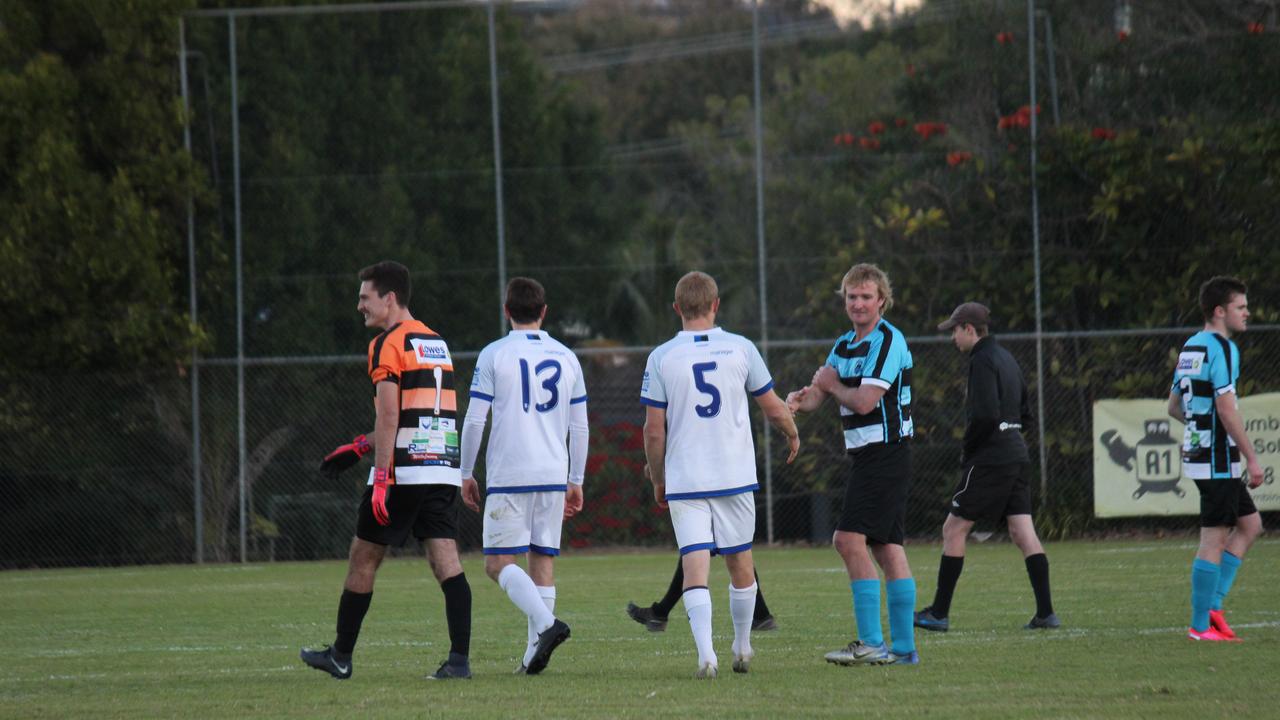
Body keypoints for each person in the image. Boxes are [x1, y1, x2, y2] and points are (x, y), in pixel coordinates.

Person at [301, 261, 473, 680]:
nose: (360, 305)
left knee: (363, 556)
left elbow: (391, 416)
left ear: (389, 298)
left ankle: (341, 655)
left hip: (405, 472)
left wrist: (380, 478)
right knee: (446, 561)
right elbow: (421, 413)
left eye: (365, 297)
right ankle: (459, 662)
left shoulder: (386, 344)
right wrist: (361, 445)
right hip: (441, 467)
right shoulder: (435, 341)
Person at [641, 271, 800, 678]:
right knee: (740, 563)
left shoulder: (661, 357)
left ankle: (705, 655)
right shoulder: (741, 348)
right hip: (733, 475)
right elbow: (773, 406)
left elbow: (653, 429)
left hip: (687, 477)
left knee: (695, 566)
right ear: (715, 305)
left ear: (677, 308)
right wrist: (791, 432)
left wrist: (659, 477)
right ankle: (743, 647)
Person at [787, 263, 918, 666]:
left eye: (866, 296)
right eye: (852, 297)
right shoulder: (844, 344)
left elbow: (862, 401)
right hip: (869, 455)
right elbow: (819, 396)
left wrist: (829, 384)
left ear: (882, 299)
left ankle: (872, 644)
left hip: (886, 452)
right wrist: (796, 402)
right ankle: (904, 649)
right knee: (887, 547)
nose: (858, 304)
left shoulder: (888, 340)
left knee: (846, 540)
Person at [459, 277, 586, 674]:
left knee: (497, 564)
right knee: (542, 560)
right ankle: (534, 658)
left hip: (511, 472)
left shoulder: (494, 354)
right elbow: (579, 427)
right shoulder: (566, 356)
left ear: (507, 311)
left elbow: (476, 418)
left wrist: (465, 470)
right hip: (552, 471)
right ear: (544, 312)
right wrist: (576, 478)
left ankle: (547, 627)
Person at [913, 302, 1058, 634]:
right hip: (1016, 451)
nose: (952, 338)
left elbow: (984, 415)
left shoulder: (980, 360)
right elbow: (1025, 412)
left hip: (991, 456)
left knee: (953, 529)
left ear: (969, 329)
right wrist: (1009, 435)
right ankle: (1046, 613)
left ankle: (939, 613)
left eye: (954, 330)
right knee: (1023, 532)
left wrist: (970, 449)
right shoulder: (1007, 358)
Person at [1168, 276, 1265, 642]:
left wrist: (1196, 431)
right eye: (1241, 307)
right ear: (1220, 311)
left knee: (1251, 525)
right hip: (1218, 459)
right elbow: (1227, 410)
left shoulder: (1191, 345)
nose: (1247, 313)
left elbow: (1174, 405)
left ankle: (1213, 607)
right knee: (1213, 539)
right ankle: (1199, 625)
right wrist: (1252, 459)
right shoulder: (1222, 348)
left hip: (1202, 452)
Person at [625, 557, 776, 633]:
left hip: (711, 498)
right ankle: (761, 615)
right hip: (730, 498)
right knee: (737, 553)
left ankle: (659, 614)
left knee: (693, 552)